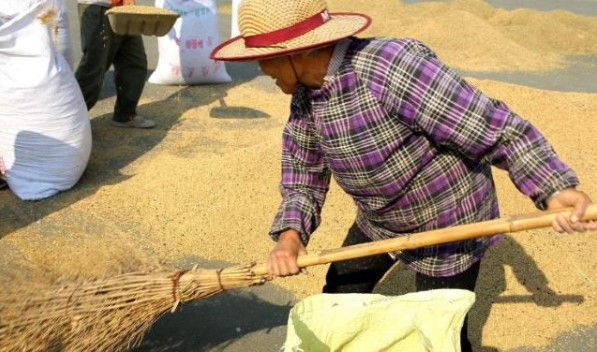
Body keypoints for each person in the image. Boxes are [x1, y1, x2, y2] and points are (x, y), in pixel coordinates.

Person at [211, 0, 597, 350]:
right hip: (381, 219)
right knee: (338, 297)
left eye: (263, 59)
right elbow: (303, 173)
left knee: (438, 327)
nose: (260, 70)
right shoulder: (305, 97)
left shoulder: (390, 67)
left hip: (447, 218)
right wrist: (290, 238)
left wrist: (552, 188)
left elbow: (493, 127)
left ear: (296, 52)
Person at [75, 0, 155, 128]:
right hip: (98, 7)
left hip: (123, 9)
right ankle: (70, 119)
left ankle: (125, 114)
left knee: (133, 60)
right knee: (95, 66)